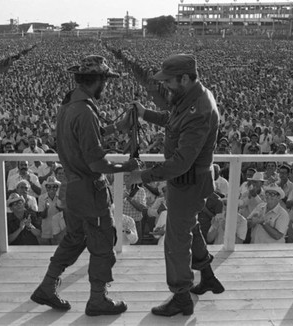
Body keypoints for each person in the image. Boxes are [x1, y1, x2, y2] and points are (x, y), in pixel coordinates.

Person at [30, 55, 139, 316]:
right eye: (105, 81)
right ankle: (98, 299)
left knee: (75, 238)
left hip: (72, 187)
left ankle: (47, 285)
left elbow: (86, 136)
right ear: (98, 80)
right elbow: (97, 163)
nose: (106, 86)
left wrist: (116, 127)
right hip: (90, 190)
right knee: (102, 243)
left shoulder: (70, 106)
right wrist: (127, 166)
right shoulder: (86, 111)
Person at [128, 54, 224, 317]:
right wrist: (145, 114)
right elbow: (173, 122)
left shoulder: (200, 109)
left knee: (176, 240)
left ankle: (182, 296)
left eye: (169, 81)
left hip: (187, 182)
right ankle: (206, 275)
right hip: (189, 181)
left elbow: (181, 162)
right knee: (189, 227)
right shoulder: (191, 97)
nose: (165, 86)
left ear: (184, 78)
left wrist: (143, 176)